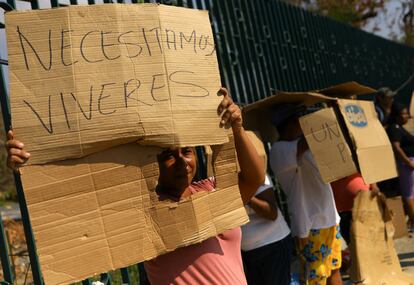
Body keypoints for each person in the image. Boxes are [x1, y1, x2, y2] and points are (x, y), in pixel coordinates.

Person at [6, 87, 265, 285]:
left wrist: (237, 129)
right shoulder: (142, 213)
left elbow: (253, 179)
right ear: (151, 163)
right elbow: (72, 210)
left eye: (186, 152)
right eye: (168, 156)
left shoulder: (211, 190)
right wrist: (30, 166)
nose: (181, 162)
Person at [269, 104, 343, 285]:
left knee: (334, 269)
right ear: (294, 122)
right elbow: (309, 140)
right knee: (316, 278)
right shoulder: (279, 149)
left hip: (330, 219)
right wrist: (326, 114)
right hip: (311, 225)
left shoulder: (304, 144)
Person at [241, 139, 292, 285]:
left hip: (273, 245)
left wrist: (245, 195)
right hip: (249, 252)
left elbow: (271, 213)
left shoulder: (257, 176)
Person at [387, 102, 414, 232]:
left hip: (409, 164)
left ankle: (411, 221)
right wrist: (408, 163)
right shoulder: (395, 128)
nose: (407, 116)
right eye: (404, 113)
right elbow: (396, 147)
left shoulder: (400, 127)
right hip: (407, 165)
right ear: (396, 115)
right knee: (409, 195)